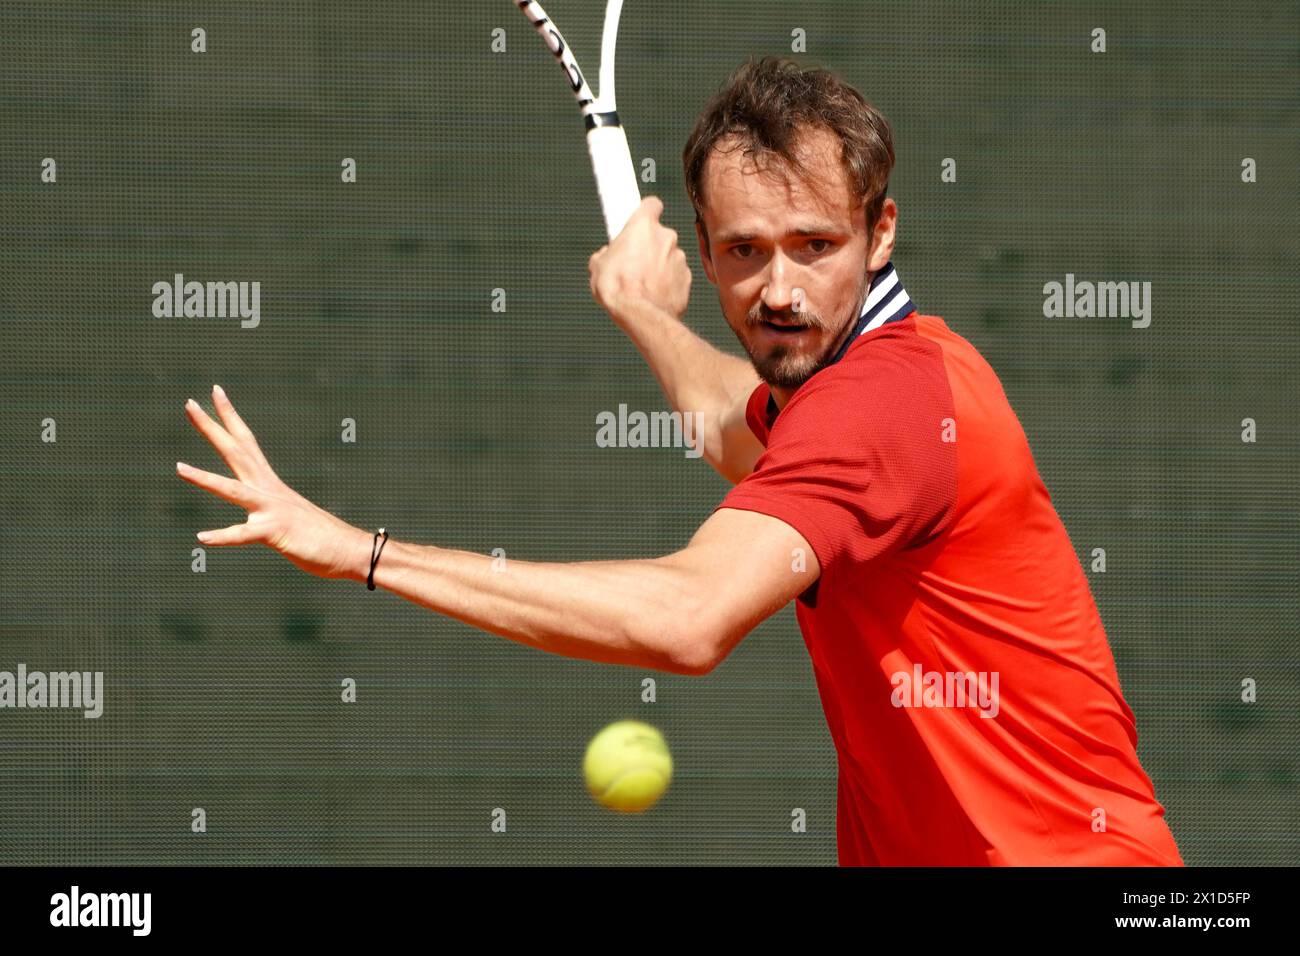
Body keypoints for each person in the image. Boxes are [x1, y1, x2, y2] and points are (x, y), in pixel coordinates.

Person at [176, 57, 1182, 866]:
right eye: (745, 252)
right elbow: (748, 438)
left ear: (880, 234)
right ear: (703, 249)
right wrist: (645, 317)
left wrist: (361, 549)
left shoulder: (884, 403)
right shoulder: (886, 378)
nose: (778, 288)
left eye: (813, 244)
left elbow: (688, 620)